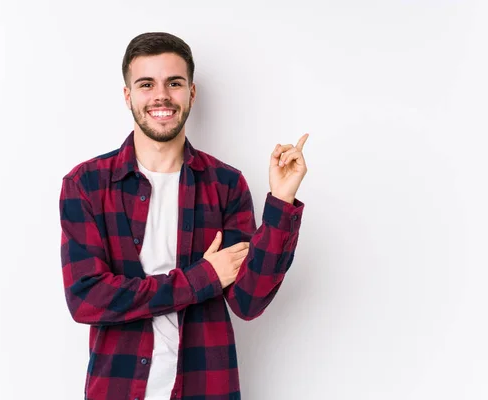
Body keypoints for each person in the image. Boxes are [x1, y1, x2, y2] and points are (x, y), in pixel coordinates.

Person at [58, 31, 308, 400]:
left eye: (174, 83)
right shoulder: (87, 184)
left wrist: (282, 203)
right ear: (128, 95)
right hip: (118, 389)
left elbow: (248, 301)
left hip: (207, 388)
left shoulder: (225, 184)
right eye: (146, 84)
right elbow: (87, 297)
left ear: (191, 93)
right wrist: (202, 278)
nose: (161, 95)